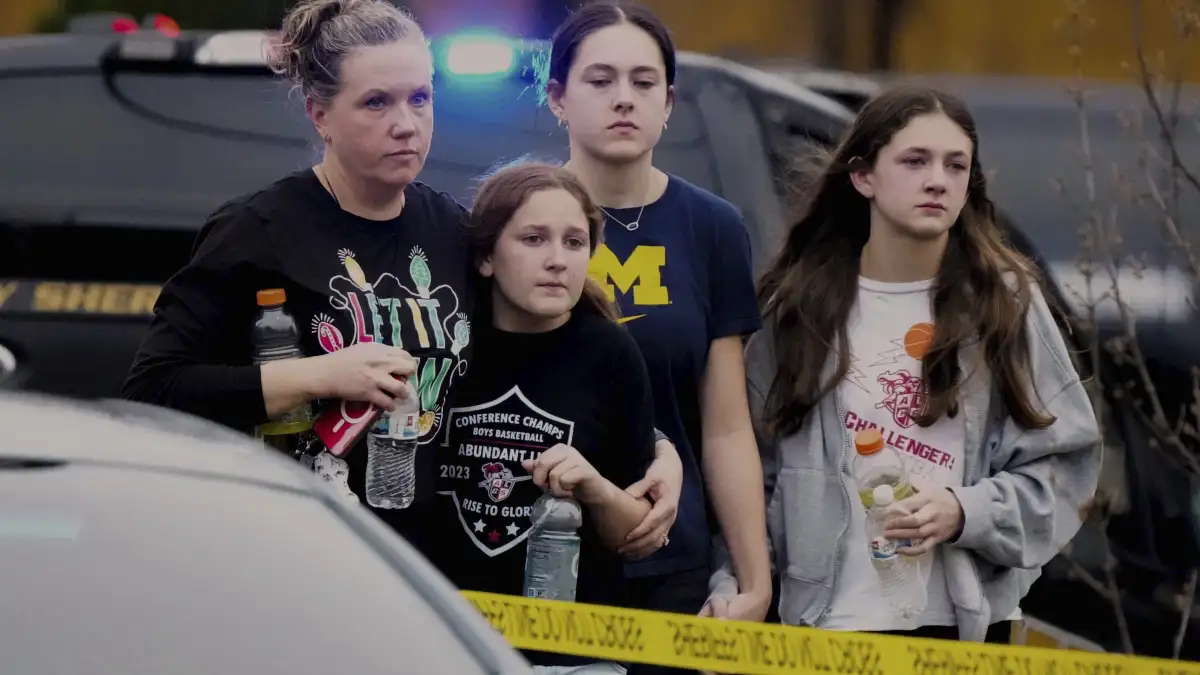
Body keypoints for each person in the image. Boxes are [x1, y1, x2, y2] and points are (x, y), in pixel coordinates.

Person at [121, 0, 681, 561]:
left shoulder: (452, 234)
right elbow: (153, 390)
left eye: (420, 98)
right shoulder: (258, 230)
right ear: (320, 115)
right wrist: (320, 374)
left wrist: (657, 450)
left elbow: (552, 353)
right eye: (376, 103)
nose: (405, 124)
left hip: (414, 568)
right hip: (284, 549)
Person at [709, 84, 1101, 642]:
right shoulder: (798, 308)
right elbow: (747, 471)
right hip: (820, 625)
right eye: (914, 161)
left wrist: (963, 511)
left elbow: (1066, 469)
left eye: (955, 165)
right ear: (863, 175)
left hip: (956, 627)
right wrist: (734, 582)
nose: (937, 179)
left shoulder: (1004, 302)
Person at [541, 0, 773, 658]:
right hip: (535, 546)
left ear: (669, 103)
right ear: (557, 98)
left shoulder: (714, 227)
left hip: (671, 563)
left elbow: (726, 425)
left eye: (644, 84)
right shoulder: (514, 216)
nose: (624, 100)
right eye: (600, 80)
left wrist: (754, 581)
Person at [434, 161, 656, 674]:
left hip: (572, 656)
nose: (557, 260)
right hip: (446, 642)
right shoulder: (444, 343)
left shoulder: (611, 354)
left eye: (575, 243)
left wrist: (596, 488)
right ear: (487, 256)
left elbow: (637, 534)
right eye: (534, 239)